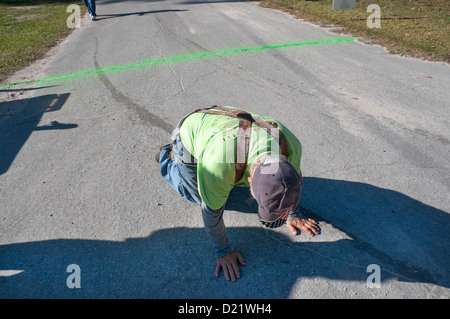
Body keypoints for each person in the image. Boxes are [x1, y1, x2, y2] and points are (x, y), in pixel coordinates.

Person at [157, 106, 320, 282]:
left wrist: (293, 213)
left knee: (224, 183)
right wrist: (223, 251)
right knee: (196, 195)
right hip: (190, 132)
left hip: (226, 127)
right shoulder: (217, 167)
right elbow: (211, 213)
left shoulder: (290, 146)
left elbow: (292, 183)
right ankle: (166, 158)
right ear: (249, 182)